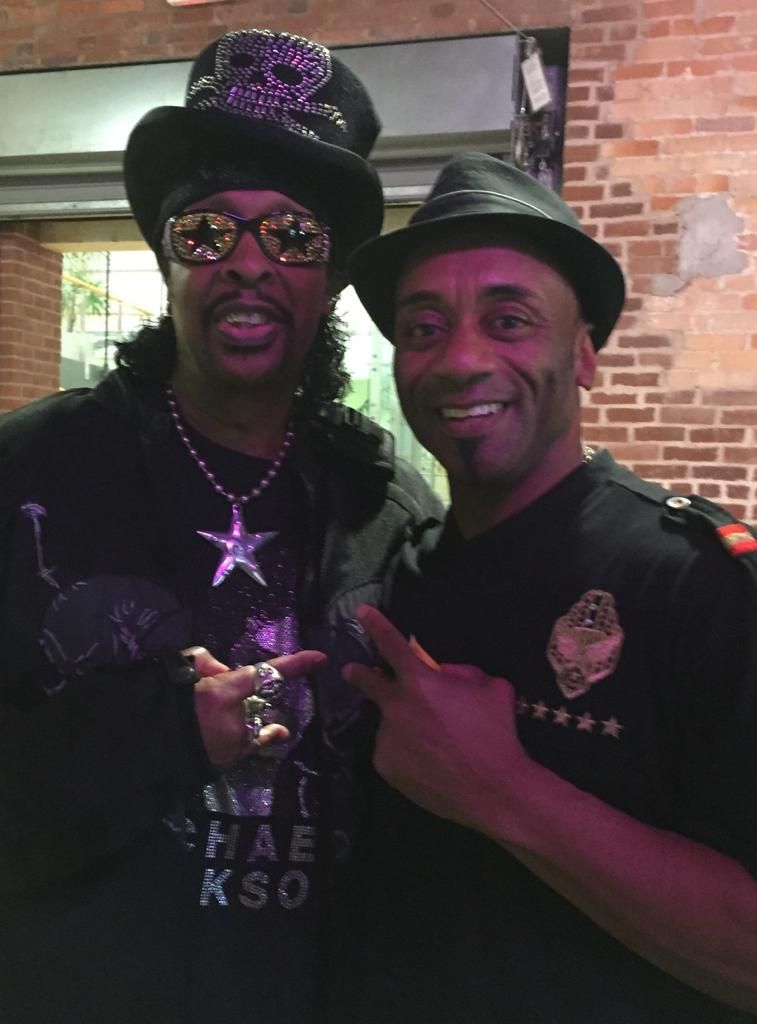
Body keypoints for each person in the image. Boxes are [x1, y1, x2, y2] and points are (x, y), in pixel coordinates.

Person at [0, 29, 441, 1024]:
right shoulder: (28, 473)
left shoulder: (388, 508)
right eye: (206, 233)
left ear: (331, 278)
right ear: (167, 260)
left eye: (292, 235)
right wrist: (162, 735)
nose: (247, 263)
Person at [342, 152, 757, 1023]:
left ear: (584, 351)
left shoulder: (703, 585)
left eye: (509, 320)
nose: (460, 359)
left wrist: (501, 788)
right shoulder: (402, 572)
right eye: (423, 327)